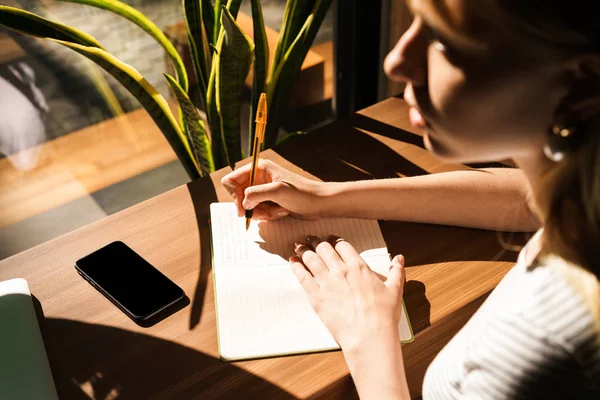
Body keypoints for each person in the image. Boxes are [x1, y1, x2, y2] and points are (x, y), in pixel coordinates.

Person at [222, 0, 600, 398]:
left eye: (444, 40)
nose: (396, 62)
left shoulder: (547, 350)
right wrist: (324, 196)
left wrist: (367, 336)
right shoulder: (582, 187)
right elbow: (528, 197)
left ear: (581, 86)